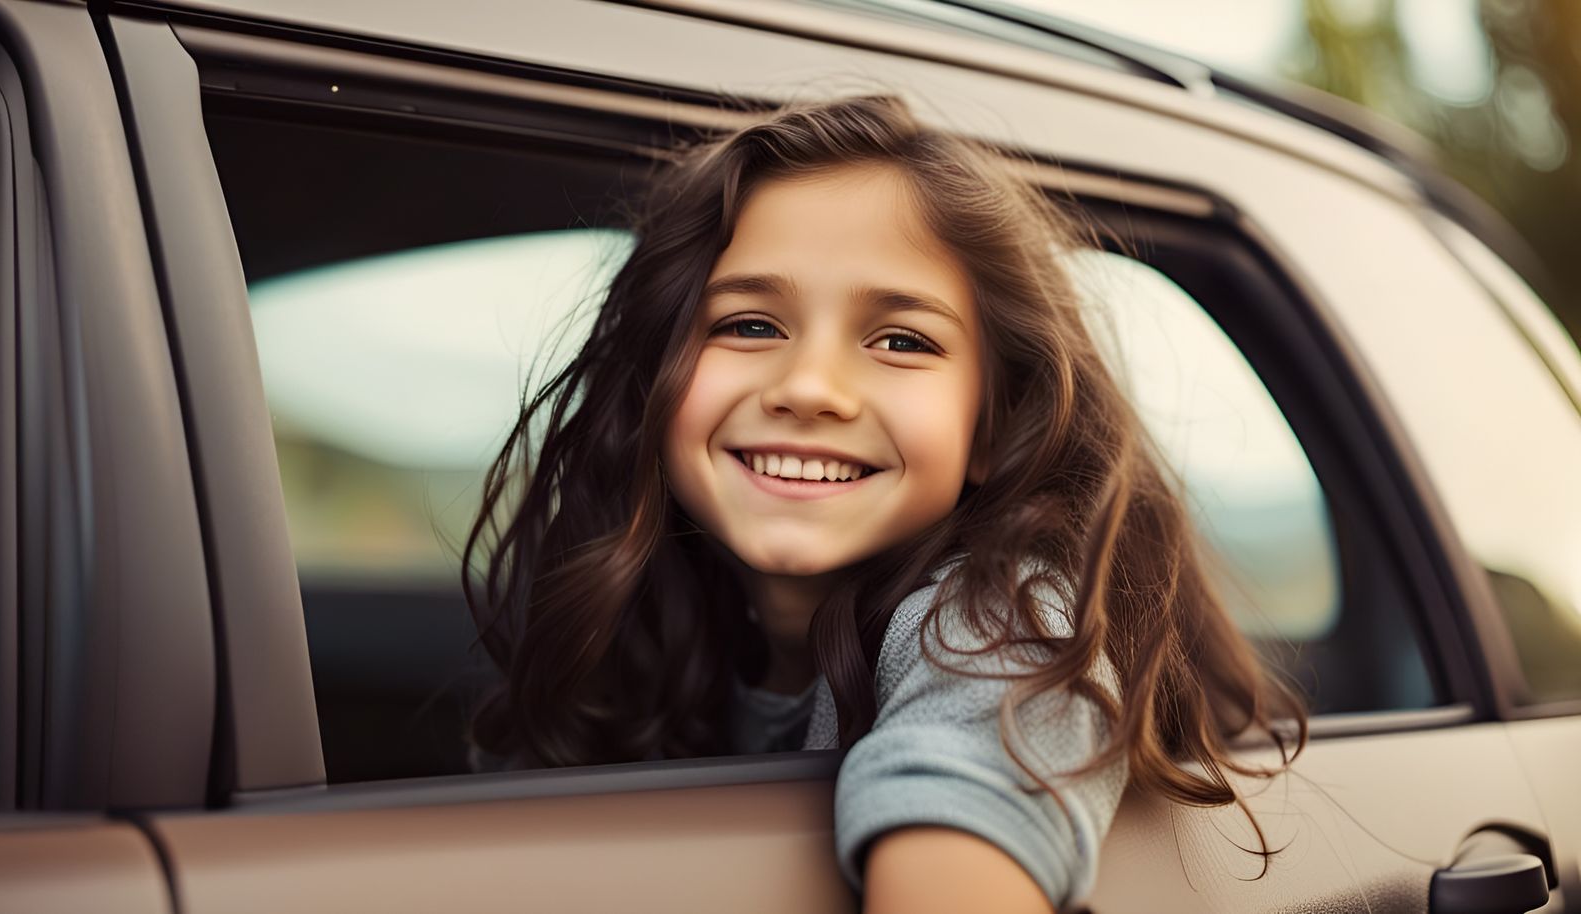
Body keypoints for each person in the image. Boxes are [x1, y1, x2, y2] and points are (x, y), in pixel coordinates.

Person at [462, 94, 1308, 913]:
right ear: (656, 381)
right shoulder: (638, 623)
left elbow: (966, 778)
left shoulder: (996, 623)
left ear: (993, 430)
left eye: (901, 340)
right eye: (751, 324)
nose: (809, 388)